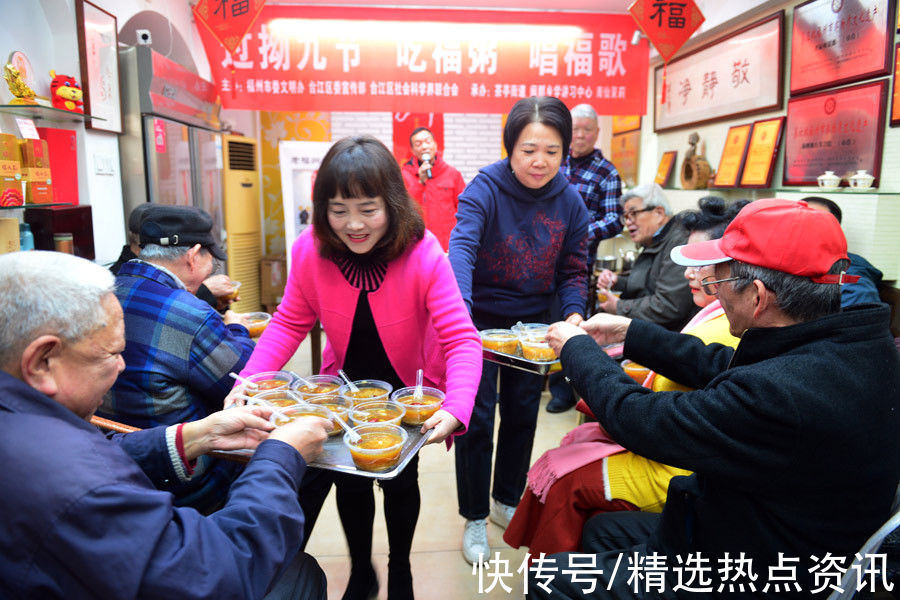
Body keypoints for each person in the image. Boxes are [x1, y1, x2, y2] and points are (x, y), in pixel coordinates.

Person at [536, 199, 900, 598]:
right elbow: (724, 364)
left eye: (719, 283)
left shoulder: (780, 394)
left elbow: (640, 417)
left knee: (552, 578)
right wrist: (630, 332)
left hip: (756, 570)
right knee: (603, 531)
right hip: (779, 526)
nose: (714, 293)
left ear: (758, 297)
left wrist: (576, 349)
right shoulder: (854, 347)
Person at [0, 250, 332, 600]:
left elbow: (98, 457)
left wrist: (195, 435)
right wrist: (280, 457)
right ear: (42, 362)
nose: (122, 368)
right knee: (299, 575)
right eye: (111, 354)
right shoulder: (77, 486)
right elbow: (217, 574)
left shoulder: (26, 428)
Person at [235, 135, 481, 600]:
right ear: (322, 207)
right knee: (350, 480)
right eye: (338, 209)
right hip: (346, 387)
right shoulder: (311, 250)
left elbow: (462, 338)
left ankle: (401, 570)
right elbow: (289, 321)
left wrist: (458, 405)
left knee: (400, 481)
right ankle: (362, 572)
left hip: (407, 392)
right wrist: (249, 381)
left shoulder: (423, 251)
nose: (353, 224)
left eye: (368, 208)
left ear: (391, 202)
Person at [504, 197, 746, 557]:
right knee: (577, 439)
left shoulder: (729, 329)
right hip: (669, 441)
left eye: (701, 263)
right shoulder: (719, 315)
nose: (688, 274)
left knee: (565, 476)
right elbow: (682, 357)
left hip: (676, 465)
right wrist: (624, 332)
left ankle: (555, 577)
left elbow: (649, 417)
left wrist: (579, 352)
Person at [448, 96, 590, 565]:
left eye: (552, 151)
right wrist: (462, 315)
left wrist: (571, 314)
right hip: (479, 323)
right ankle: (473, 516)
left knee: (523, 415)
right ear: (510, 147)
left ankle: (505, 499)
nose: (540, 161)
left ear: (565, 151)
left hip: (534, 327)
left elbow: (574, 269)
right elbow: (462, 250)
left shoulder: (570, 202)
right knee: (477, 419)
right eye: (529, 149)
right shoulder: (484, 189)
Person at [98, 204, 255, 514]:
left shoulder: (105, 290)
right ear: (193, 255)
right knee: (295, 461)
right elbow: (242, 377)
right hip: (187, 479)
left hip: (117, 465)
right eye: (211, 259)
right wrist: (236, 328)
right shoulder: (188, 314)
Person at [547, 103, 623, 413]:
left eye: (586, 130)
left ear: (596, 133)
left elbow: (614, 219)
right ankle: (539, 381)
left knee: (570, 321)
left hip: (576, 266)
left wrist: (578, 233)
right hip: (539, 263)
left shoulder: (607, 172)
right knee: (540, 324)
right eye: (574, 129)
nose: (579, 136)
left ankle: (564, 389)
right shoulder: (554, 162)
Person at [595, 182, 697, 331]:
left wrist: (618, 306)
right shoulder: (655, 239)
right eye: (626, 217)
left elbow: (668, 305)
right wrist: (617, 282)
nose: (628, 222)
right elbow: (649, 283)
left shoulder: (679, 242)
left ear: (659, 213)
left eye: (634, 213)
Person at [110, 202, 239, 310]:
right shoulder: (115, 282)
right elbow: (159, 309)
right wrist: (204, 293)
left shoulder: (127, 274)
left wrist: (211, 301)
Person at [803, 196, 884, 308]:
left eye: (813, 222)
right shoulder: (785, 262)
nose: (802, 229)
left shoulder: (853, 281)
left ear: (834, 232)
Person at [400, 126, 466, 251]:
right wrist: (420, 182)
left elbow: (463, 210)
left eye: (427, 141)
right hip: (416, 245)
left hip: (446, 245)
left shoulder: (452, 174)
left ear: (435, 145)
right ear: (413, 150)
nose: (424, 147)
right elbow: (403, 209)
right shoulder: (404, 175)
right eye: (418, 144)